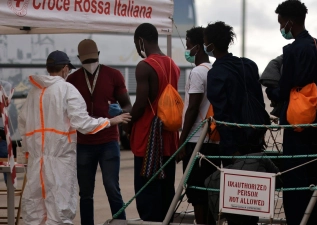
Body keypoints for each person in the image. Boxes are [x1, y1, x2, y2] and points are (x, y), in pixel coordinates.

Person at [17, 50, 131, 225]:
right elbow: (83, 123)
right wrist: (110, 121)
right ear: (64, 68)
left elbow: (23, 124)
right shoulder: (66, 89)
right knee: (59, 211)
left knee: (35, 212)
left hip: (36, 163)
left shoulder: (34, 92)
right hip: (59, 162)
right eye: (67, 70)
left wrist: (26, 153)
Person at [266, 1, 317, 224]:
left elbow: (285, 89)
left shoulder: (292, 50)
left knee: (294, 184)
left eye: (281, 22)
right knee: (313, 182)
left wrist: (271, 91)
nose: (281, 27)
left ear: (289, 22)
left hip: (296, 127)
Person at [204, 21, 269, 225]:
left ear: (211, 45)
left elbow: (222, 116)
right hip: (255, 138)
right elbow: (258, 101)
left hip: (234, 145)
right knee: (254, 198)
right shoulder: (249, 65)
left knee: (236, 200)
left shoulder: (215, 74)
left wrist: (231, 151)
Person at [66, 39, 132, 225]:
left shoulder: (114, 75)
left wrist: (121, 112)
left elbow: (128, 105)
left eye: (93, 59)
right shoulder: (72, 80)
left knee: (112, 188)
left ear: (99, 55)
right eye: (86, 61)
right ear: (79, 59)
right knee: (85, 193)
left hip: (109, 141)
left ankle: (120, 223)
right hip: (83, 143)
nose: (90, 64)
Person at [128, 23, 180, 222]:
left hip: (148, 140)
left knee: (147, 194)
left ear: (141, 40)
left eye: (136, 43)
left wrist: (128, 123)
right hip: (168, 136)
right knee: (166, 192)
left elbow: (140, 104)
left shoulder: (145, 66)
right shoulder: (172, 65)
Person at [175, 26, 221, 225]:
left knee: (196, 192)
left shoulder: (197, 72)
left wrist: (182, 141)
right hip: (213, 139)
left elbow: (192, 108)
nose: (187, 49)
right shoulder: (215, 70)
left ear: (198, 47)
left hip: (196, 140)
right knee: (209, 190)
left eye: (188, 45)